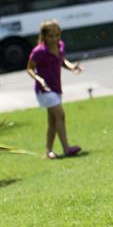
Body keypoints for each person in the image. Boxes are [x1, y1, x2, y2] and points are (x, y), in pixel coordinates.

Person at [26, 19, 83, 160]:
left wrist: (72, 67)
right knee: (60, 115)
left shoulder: (60, 46)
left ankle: (48, 151)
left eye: (57, 35)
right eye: (51, 36)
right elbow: (30, 68)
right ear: (44, 36)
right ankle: (67, 148)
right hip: (44, 90)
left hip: (56, 87)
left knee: (53, 122)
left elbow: (61, 60)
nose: (55, 39)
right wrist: (39, 79)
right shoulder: (39, 51)